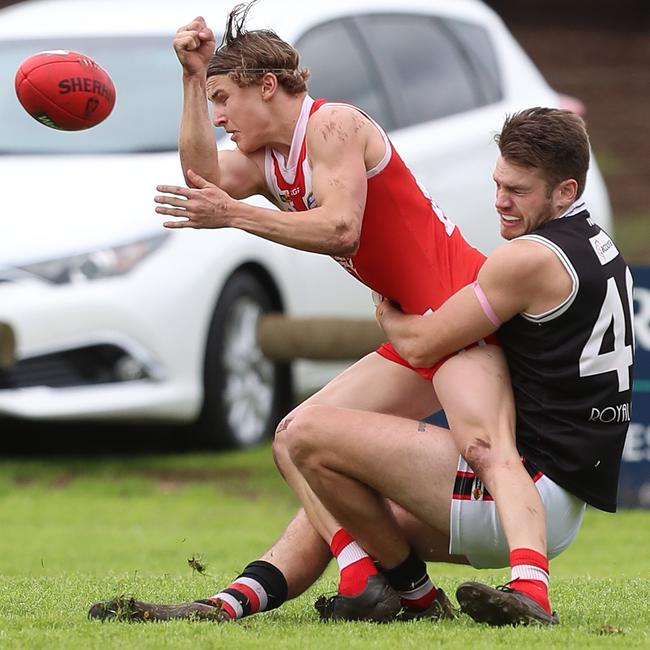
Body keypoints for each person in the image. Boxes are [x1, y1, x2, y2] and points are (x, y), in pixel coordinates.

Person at [89, 2, 547, 624]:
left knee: (485, 446)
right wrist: (192, 79)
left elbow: (340, 229)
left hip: (459, 315)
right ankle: (384, 587)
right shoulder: (265, 158)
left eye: (224, 98)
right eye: (213, 101)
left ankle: (532, 593)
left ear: (268, 86)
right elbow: (202, 177)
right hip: (413, 326)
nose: (218, 116)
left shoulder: (334, 125)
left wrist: (235, 215)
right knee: (293, 439)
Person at [278, 106, 635, 626]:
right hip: (558, 503)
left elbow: (424, 345)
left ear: (565, 191)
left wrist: (389, 312)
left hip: (521, 500)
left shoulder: (528, 258)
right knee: (343, 503)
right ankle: (239, 597)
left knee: (304, 432)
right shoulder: (601, 247)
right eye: (498, 184)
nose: (501, 202)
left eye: (518, 190)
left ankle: (429, 595)